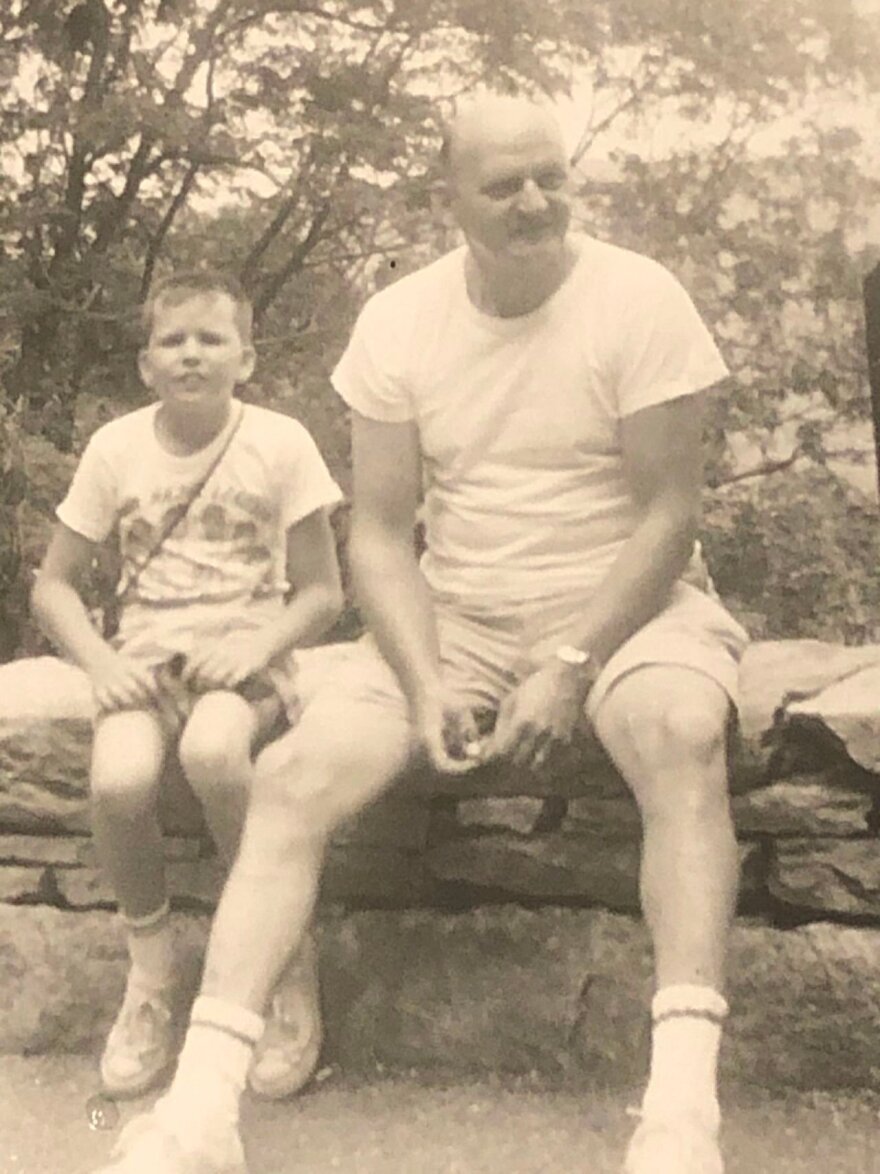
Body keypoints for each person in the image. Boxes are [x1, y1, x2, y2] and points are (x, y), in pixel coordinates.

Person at [84, 94, 748, 1174]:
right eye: (504, 185)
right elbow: (383, 537)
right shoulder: (401, 321)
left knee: (679, 732)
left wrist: (571, 662)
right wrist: (428, 675)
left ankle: (680, 1113)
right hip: (461, 609)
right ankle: (200, 1113)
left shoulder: (640, 298)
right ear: (450, 198)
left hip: (626, 608)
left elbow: (670, 515)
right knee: (296, 772)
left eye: (552, 177)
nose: (536, 201)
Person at [31, 271, 343, 1127]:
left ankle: (279, 962)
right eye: (173, 341)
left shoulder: (280, 443)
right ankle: (152, 973)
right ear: (145, 364)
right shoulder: (117, 448)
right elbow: (53, 587)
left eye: (213, 339)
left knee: (213, 753)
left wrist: (256, 644)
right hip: (144, 661)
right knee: (121, 781)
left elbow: (322, 593)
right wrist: (99, 663)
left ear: (245, 357)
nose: (193, 354)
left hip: (246, 657)